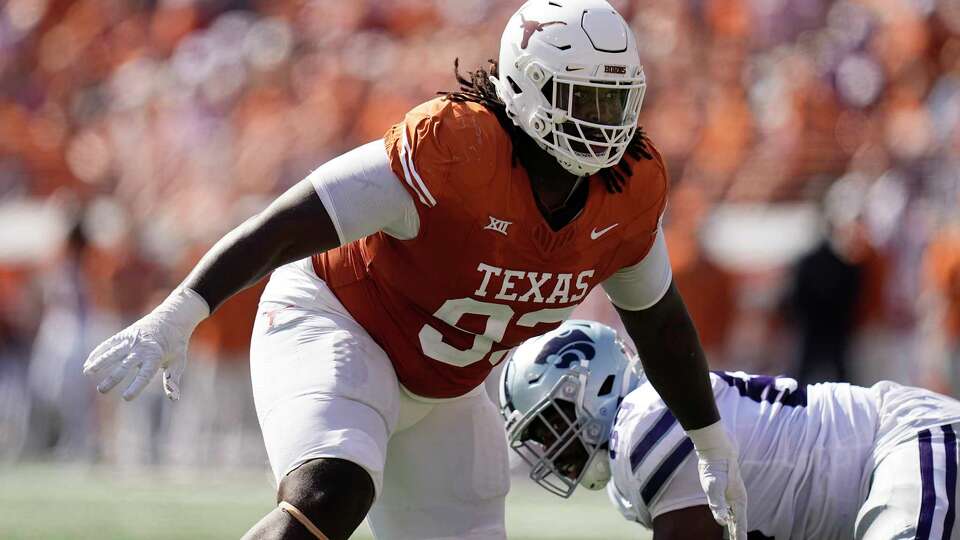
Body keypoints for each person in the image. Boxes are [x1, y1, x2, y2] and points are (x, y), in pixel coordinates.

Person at [82, 1, 746, 539]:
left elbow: (660, 326)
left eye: (613, 101)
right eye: (581, 98)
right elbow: (288, 221)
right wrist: (182, 311)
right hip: (340, 322)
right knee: (331, 491)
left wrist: (711, 445)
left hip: (445, 388)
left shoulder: (628, 189)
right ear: (525, 85)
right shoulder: (454, 148)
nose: (602, 124)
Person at [501, 320, 960, 540]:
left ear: (592, 386)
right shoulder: (630, 472)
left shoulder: (644, 418)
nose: (547, 446)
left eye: (549, 423)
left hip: (905, 443)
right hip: (879, 479)